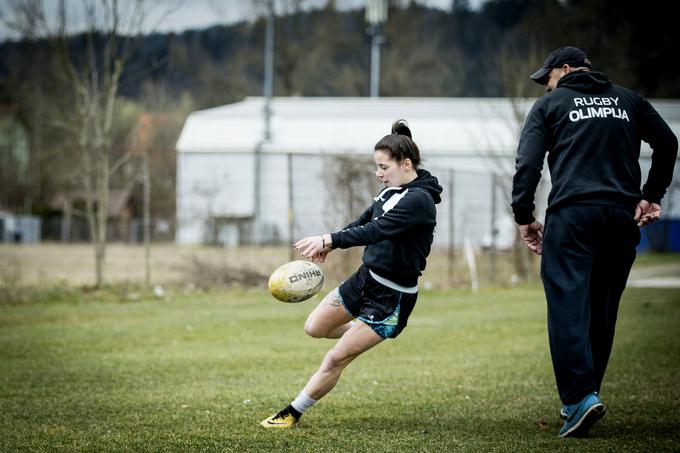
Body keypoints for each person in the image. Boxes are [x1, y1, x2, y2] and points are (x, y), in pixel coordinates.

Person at [512, 46, 678, 438]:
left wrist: (523, 216)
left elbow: (528, 164)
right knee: (601, 310)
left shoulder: (551, 106)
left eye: (547, 78)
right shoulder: (628, 100)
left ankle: (578, 399)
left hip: (573, 216)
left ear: (565, 70)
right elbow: (668, 143)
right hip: (621, 218)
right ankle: (586, 396)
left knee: (568, 306)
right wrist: (652, 195)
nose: (545, 87)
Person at [260, 119, 443, 428]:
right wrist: (332, 244)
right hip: (365, 280)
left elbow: (377, 230)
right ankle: (367, 332)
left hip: (391, 298)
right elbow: (364, 220)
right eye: (377, 166)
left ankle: (292, 412)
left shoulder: (419, 201)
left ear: (406, 164)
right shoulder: (390, 192)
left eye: (383, 167)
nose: (378, 173)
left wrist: (329, 239)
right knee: (314, 327)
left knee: (334, 359)